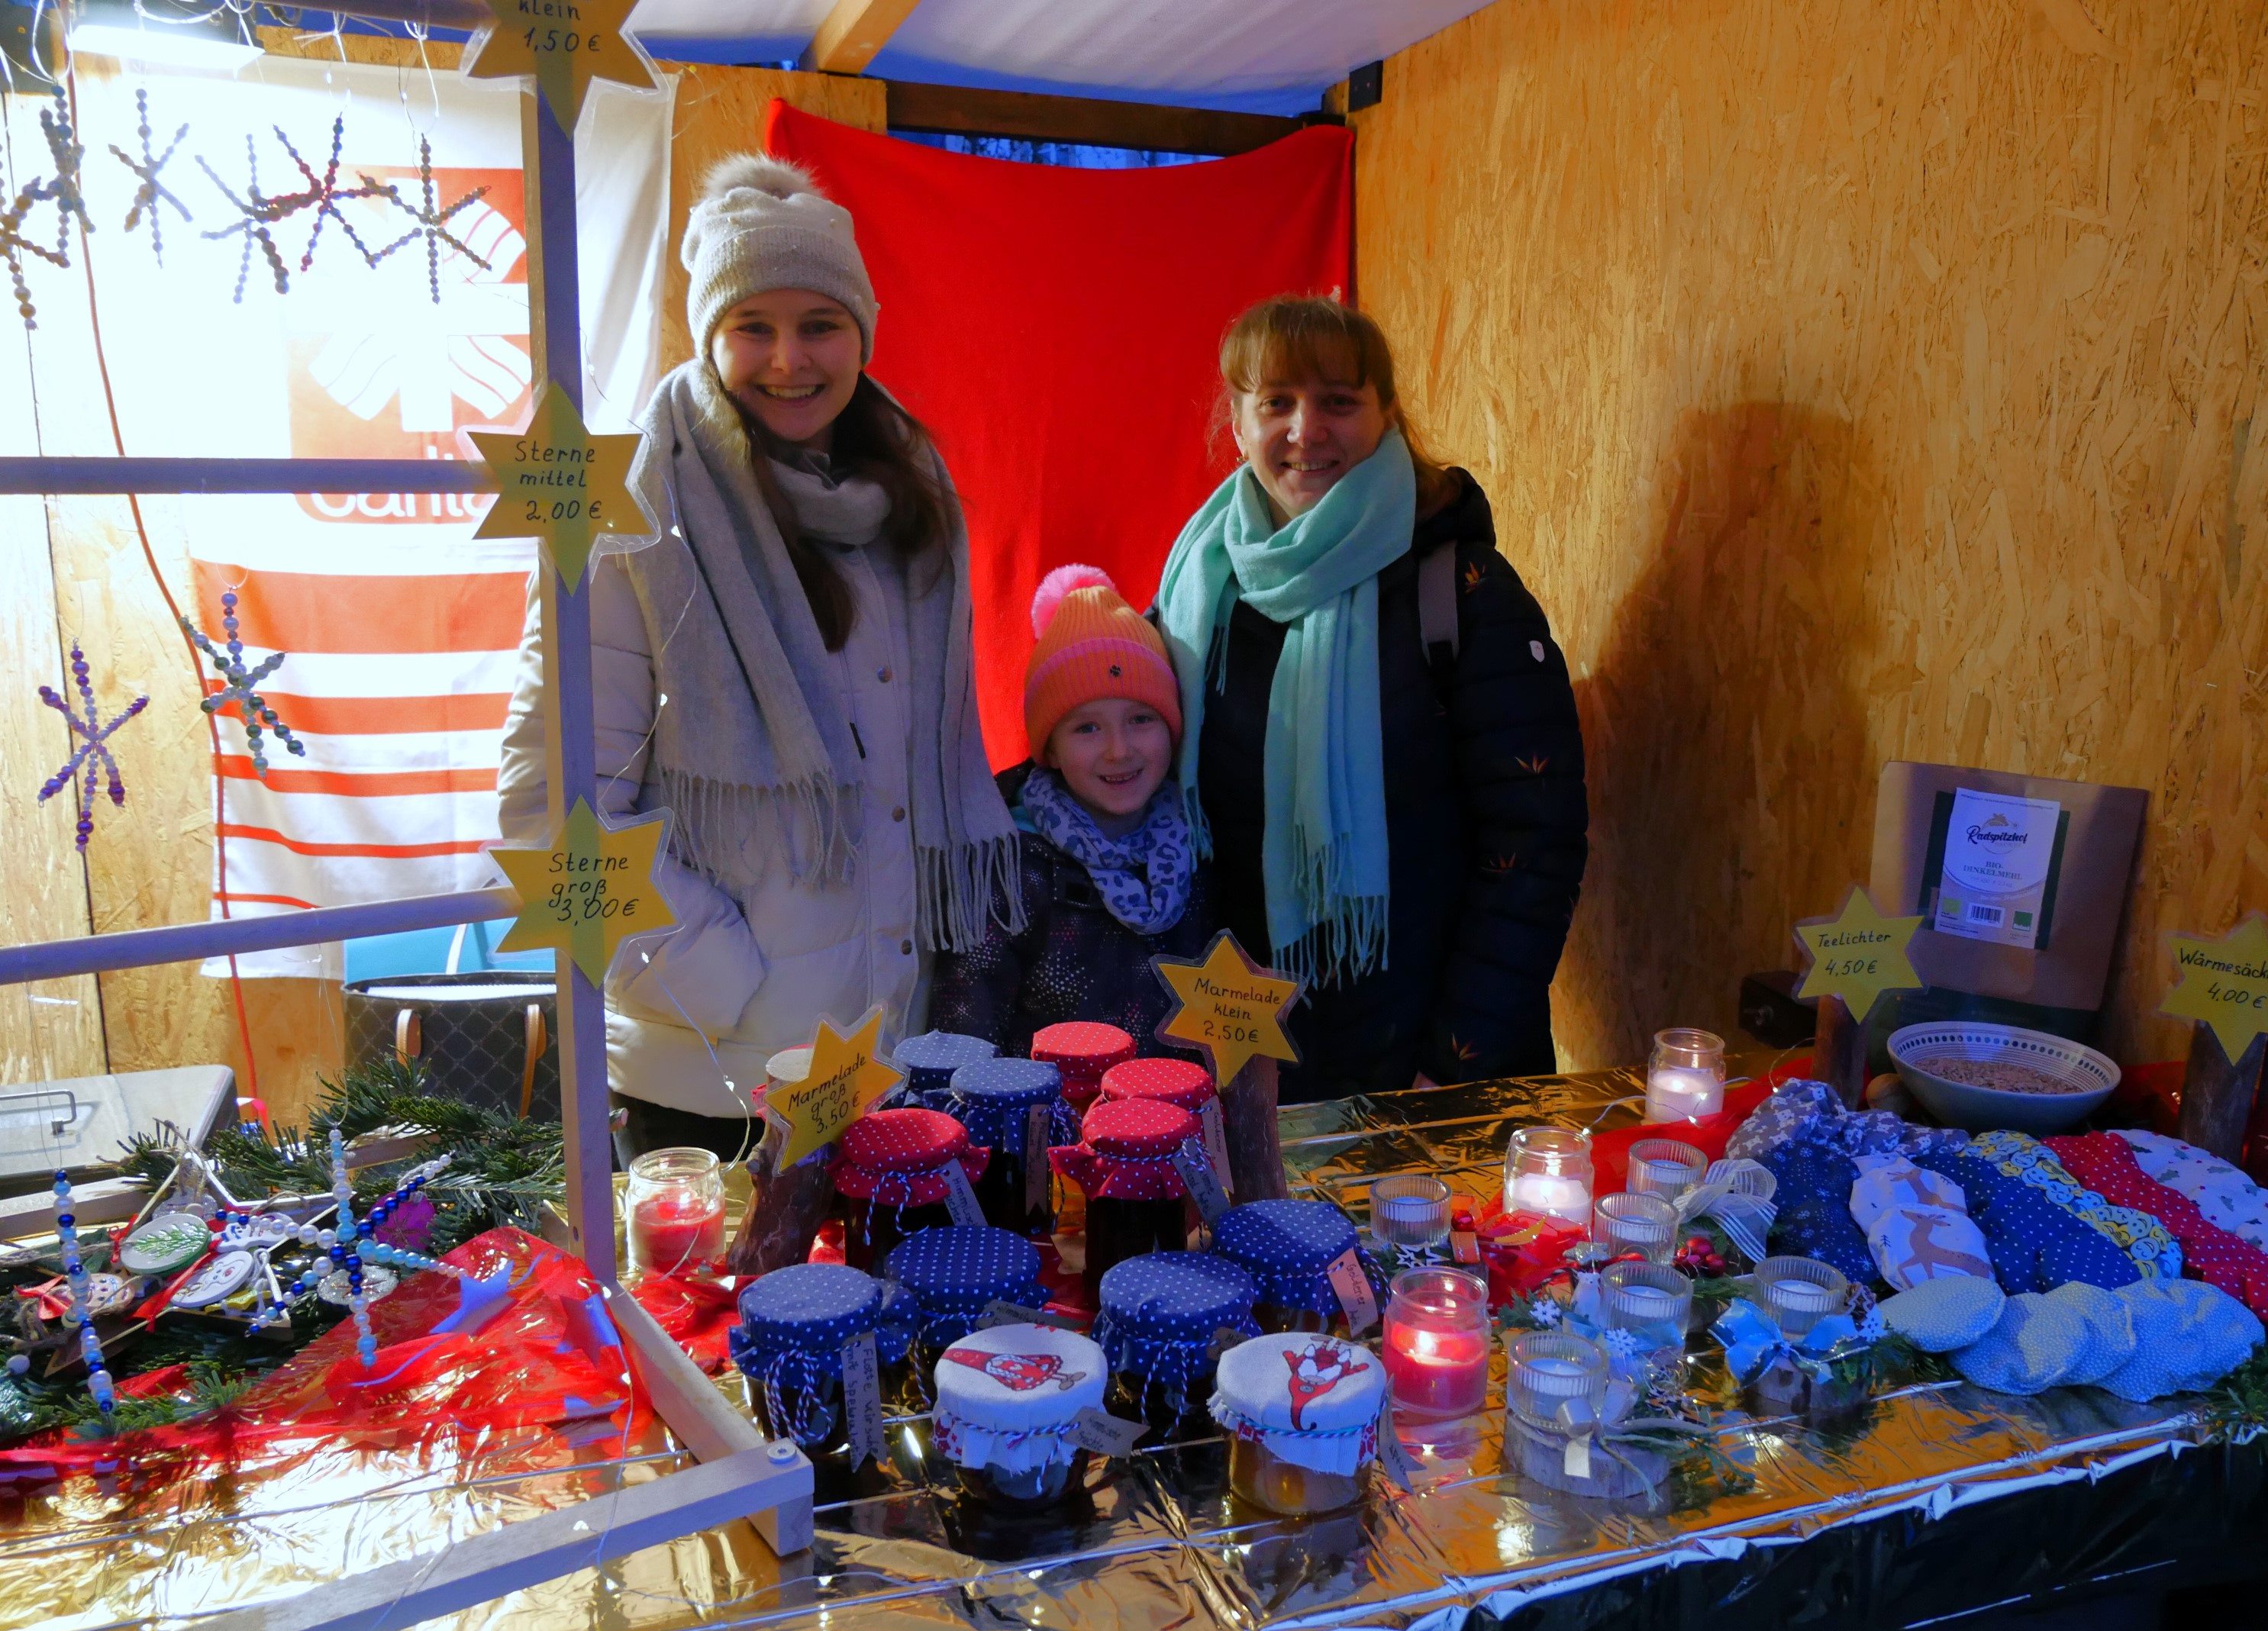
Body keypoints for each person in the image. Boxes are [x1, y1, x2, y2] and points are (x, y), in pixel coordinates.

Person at [499, 155, 1017, 1163]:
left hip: (884, 1061)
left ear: (861, 331)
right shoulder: (627, 519)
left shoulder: (904, 499)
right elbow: (549, 820)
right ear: (710, 336)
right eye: (753, 327)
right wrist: (724, 989)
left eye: (819, 324)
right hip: (712, 1085)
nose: (790, 359)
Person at [1154, 295, 1588, 1102]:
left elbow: (1535, 844)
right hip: (1246, 1066)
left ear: (1386, 413)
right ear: (1238, 419)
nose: (1305, 430)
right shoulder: (1198, 590)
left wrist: (1457, 1064)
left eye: (1338, 402)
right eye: (1276, 401)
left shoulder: (1461, 593)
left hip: (1426, 1073)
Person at [930, 565, 1217, 1055]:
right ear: (1051, 748)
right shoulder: (1008, 873)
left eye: (1141, 719)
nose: (1119, 750)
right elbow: (966, 1038)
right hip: (1051, 1125)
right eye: (1087, 728)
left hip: (1182, 1121)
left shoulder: (1197, 844)